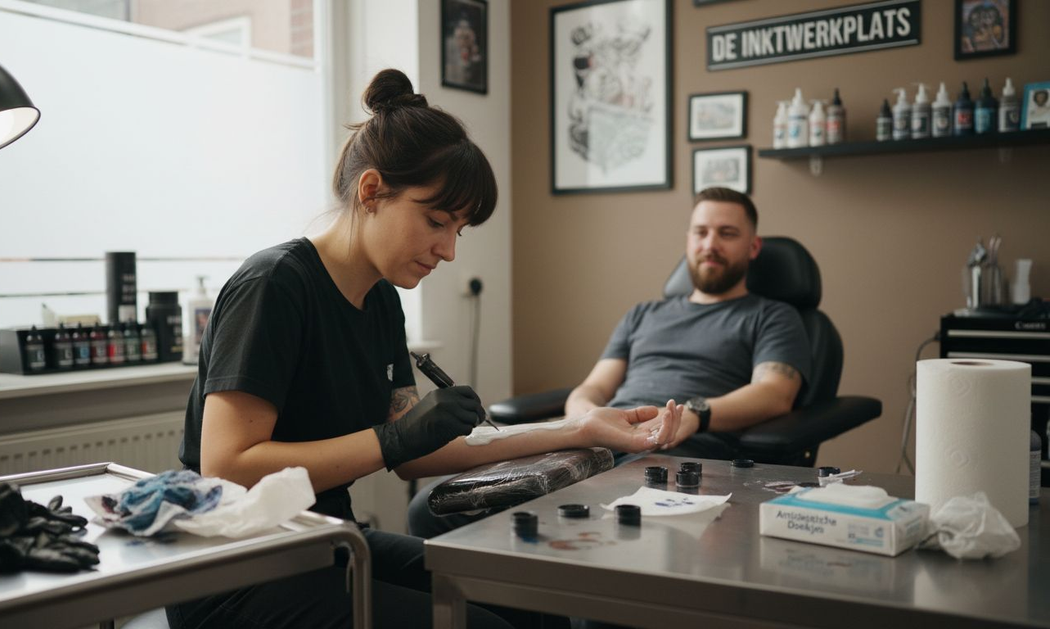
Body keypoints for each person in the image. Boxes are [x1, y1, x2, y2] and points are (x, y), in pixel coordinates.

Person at [165, 68, 682, 629]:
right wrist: (392, 439)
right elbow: (229, 465)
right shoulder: (275, 286)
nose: (448, 251)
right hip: (236, 569)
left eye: (458, 230)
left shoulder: (381, 299)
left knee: (533, 602)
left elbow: (417, 450)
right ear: (371, 191)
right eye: (436, 221)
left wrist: (579, 429)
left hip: (325, 541)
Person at [408, 186, 811, 539]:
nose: (711, 244)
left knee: (582, 523)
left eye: (727, 234)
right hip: (600, 440)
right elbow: (593, 388)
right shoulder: (645, 314)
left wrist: (694, 414)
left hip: (674, 451)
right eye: (701, 232)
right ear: (688, 239)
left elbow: (774, 394)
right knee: (433, 509)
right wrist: (585, 419)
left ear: (753, 247)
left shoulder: (772, 316)